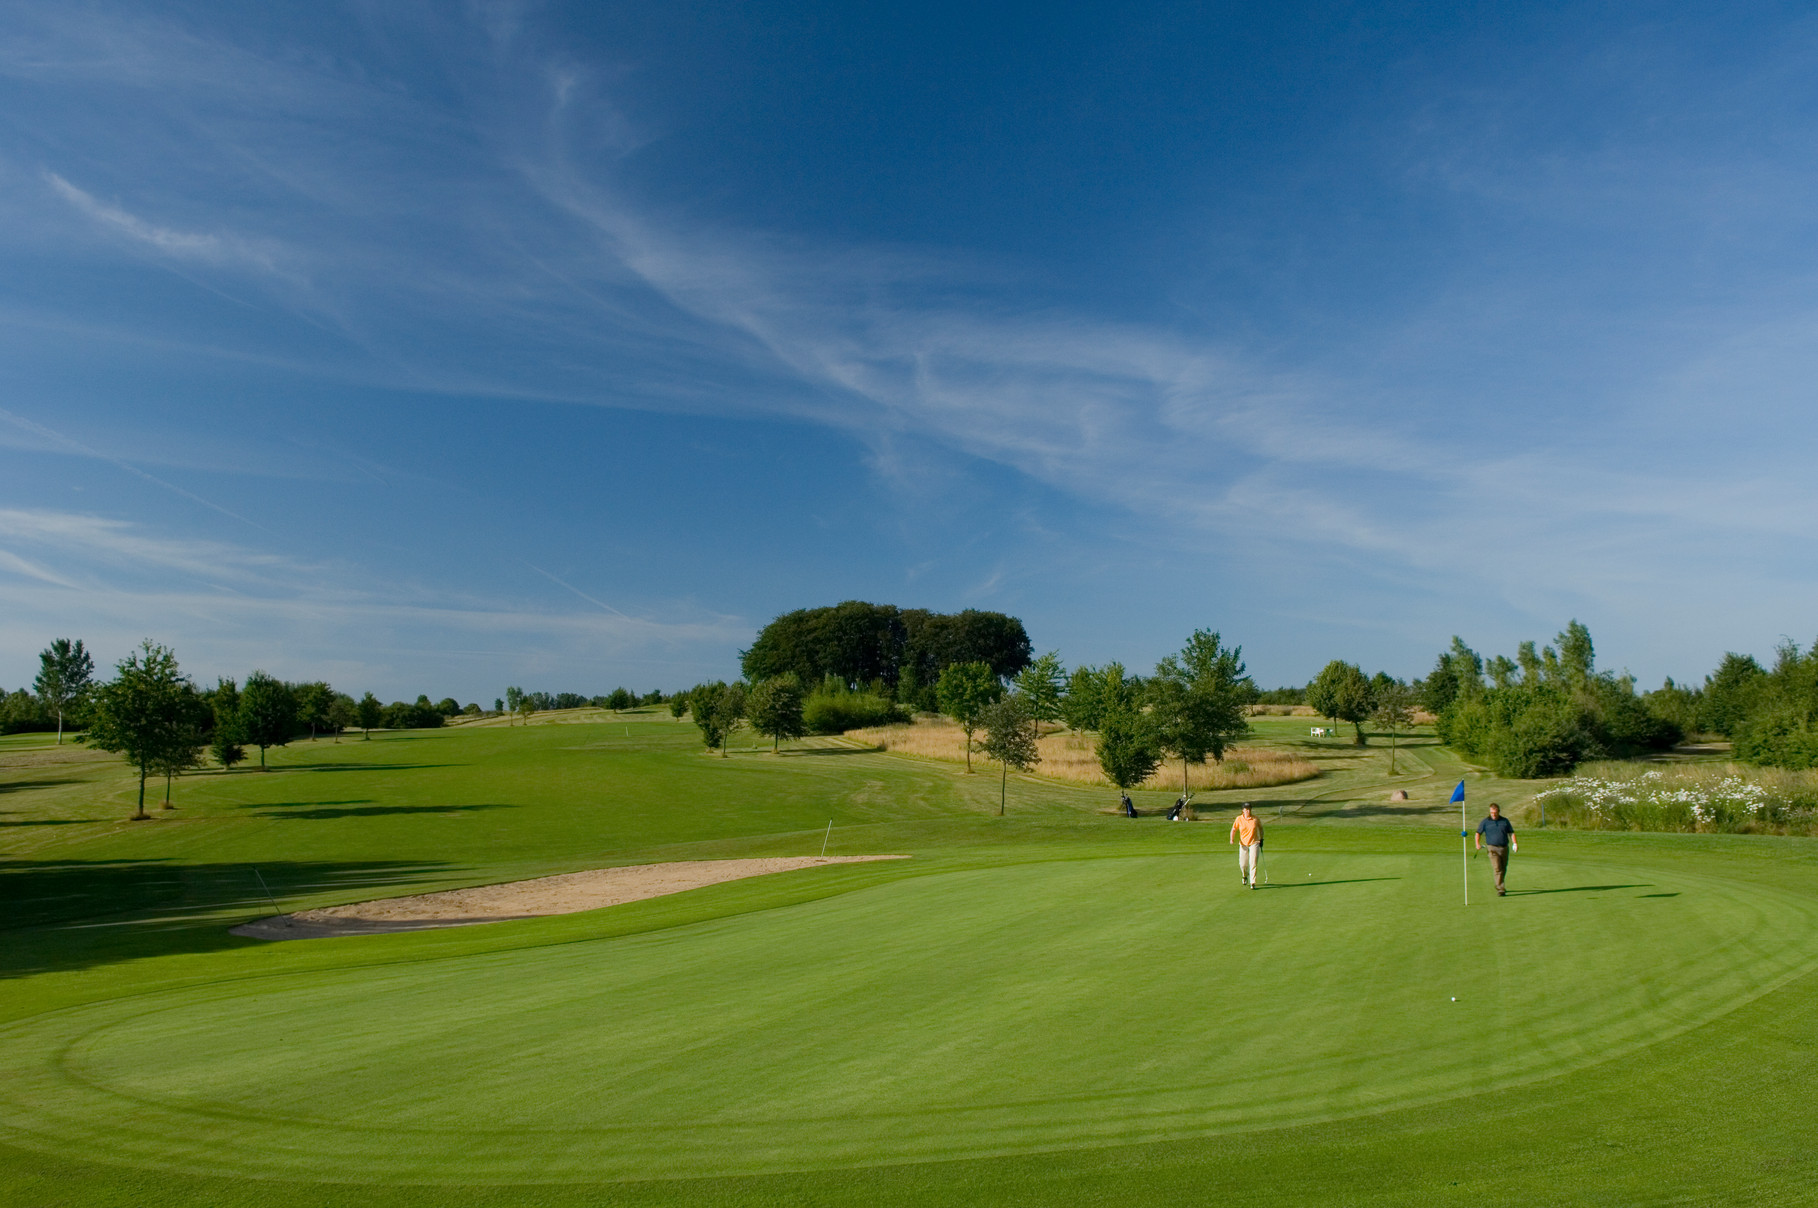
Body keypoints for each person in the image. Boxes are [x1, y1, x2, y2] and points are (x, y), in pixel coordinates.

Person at [1475, 802, 1517, 896]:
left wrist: (1515, 843)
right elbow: (1478, 833)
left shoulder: (1505, 821)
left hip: (1504, 848)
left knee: (1503, 868)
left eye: (1495, 812)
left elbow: (1511, 832)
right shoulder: (1485, 822)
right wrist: (1477, 844)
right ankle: (1500, 889)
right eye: (1491, 812)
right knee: (1497, 868)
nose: (1493, 814)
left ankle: (1499, 884)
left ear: (1498, 811)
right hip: (1492, 848)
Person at [1230, 803, 1263, 888]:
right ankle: (1245, 876)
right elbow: (1234, 829)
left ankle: (1253, 882)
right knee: (1243, 864)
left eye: (1249, 809)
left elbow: (1260, 828)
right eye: (1246, 809)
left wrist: (1261, 839)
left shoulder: (1255, 819)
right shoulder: (1239, 819)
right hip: (1243, 844)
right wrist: (1232, 839)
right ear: (1243, 810)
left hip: (1254, 842)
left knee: (1253, 863)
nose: (1248, 810)